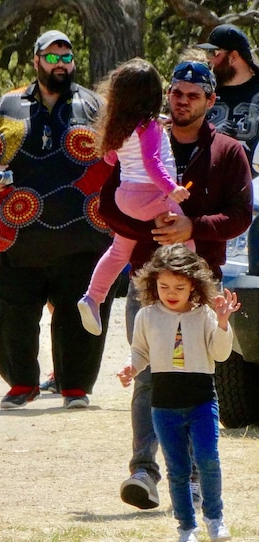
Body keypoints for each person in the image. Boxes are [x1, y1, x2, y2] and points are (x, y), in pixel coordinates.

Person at [99, 60, 253, 511]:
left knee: (196, 381)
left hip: (202, 285)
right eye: (177, 92)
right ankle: (143, 471)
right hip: (147, 283)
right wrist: (146, 227)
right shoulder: (139, 136)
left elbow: (241, 215)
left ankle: (192, 476)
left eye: (193, 94)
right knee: (147, 376)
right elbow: (107, 204)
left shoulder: (227, 151)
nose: (182, 101)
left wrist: (193, 227)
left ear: (211, 101)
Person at [0, 30, 114, 410]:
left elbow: (122, 150)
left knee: (79, 309)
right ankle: (21, 383)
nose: (61, 64)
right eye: (52, 57)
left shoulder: (96, 106)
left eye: (67, 57)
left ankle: (75, 386)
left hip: (83, 231)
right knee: (10, 311)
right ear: (36, 60)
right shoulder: (6, 104)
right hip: (15, 233)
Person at [118, 244, 237, 542]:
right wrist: (131, 369)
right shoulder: (146, 315)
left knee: (208, 459)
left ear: (194, 285)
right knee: (178, 469)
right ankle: (187, 527)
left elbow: (221, 354)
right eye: (164, 285)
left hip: (201, 401)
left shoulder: (204, 315)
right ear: (152, 283)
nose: (171, 292)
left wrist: (223, 323)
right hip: (164, 405)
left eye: (180, 287)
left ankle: (214, 518)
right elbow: (140, 353)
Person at [78, 58, 193, 336]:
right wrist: (171, 189)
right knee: (185, 237)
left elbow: (109, 157)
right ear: (154, 95)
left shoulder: (120, 128)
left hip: (125, 198)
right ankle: (194, 292)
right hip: (151, 196)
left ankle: (92, 297)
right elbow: (153, 162)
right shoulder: (150, 127)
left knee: (119, 252)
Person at [198, 24, 259, 175]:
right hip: (206, 188)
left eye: (215, 53)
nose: (210, 60)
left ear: (233, 57)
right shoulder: (203, 92)